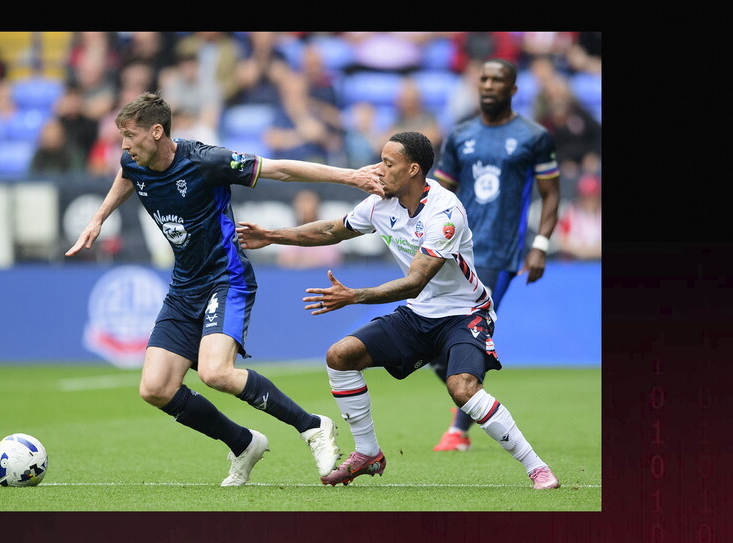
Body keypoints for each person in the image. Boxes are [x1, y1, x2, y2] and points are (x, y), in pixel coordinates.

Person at [65, 92, 385, 486]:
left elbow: (279, 170)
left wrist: (349, 176)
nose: (124, 145)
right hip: (184, 287)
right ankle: (242, 442)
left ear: (157, 130)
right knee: (154, 388)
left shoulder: (206, 160)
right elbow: (126, 175)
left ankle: (313, 426)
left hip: (225, 279)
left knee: (216, 373)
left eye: (129, 135)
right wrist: (98, 219)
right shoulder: (134, 159)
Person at [236, 131, 560, 490]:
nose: (378, 169)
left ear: (413, 169)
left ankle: (537, 467)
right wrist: (273, 236)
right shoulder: (379, 203)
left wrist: (354, 295)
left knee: (463, 390)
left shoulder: (445, 212)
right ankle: (368, 453)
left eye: (388, 164)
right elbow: (333, 229)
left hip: (463, 314)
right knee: (340, 356)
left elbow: (416, 280)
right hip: (418, 314)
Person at [429, 58, 561, 452]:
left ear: (513, 89)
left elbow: (551, 194)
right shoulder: (460, 135)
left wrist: (539, 245)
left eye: (497, 79)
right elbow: (439, 194)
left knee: (467, 332)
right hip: (451, 249)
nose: (488, 85)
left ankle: (459, 430)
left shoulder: (533, 136)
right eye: (483, 78)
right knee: (435, 344)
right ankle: (474, 405)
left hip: (499, 252)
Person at [276, 190, 344, 269]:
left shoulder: (328, 232)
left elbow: (333, 259)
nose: (306, 208)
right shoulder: (289, 233)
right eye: (302, 204)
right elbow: (284, 260)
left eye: (309, 203)